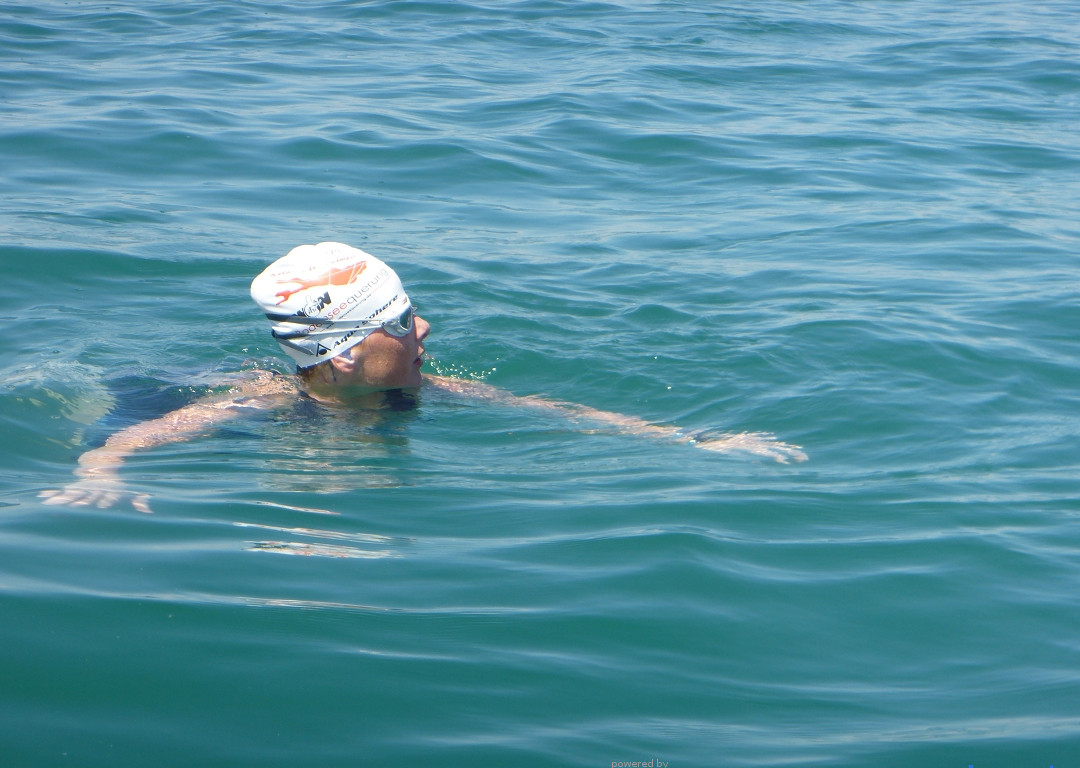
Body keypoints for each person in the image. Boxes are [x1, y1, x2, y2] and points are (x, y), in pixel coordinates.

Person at [40, 242, 806, 512]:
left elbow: (551, 408)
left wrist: (694, 442)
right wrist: (98, 469)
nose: (425, 329)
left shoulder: (419, 389)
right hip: (155, 390)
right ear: (344, 352)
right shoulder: (261, 399)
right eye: (403, 321)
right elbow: (148, 435)